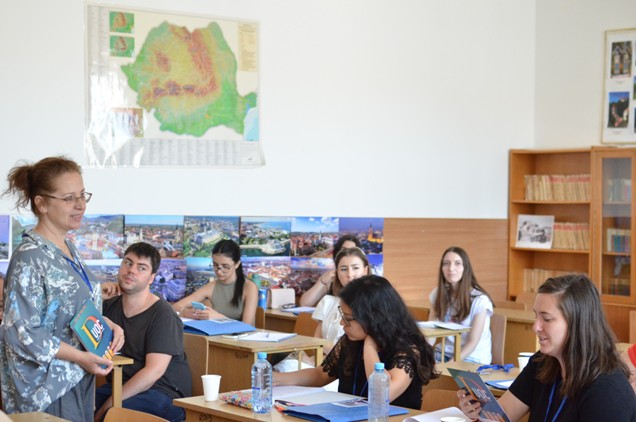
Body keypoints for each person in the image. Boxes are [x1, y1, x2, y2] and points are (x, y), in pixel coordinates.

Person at [0, 156, 124, 419]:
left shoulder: (67, 248)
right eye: (68, 198)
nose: (80, 205)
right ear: (42, 203)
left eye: (82, 195)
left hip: (78, 377)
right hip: (48, 389)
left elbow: (65, 312)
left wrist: (103, 324)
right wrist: (79, 357)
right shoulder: (30, 257)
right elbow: (21, 332)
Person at [458, 274, 636, 421]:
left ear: (577, 323)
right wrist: (479, 412)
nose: (536, 327)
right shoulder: (542, 362)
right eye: (536, 316)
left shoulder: (608, 391)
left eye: (547, 319)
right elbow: (502, 415)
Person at [274, 275, 438, 409]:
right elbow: (321, 375)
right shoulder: (351, 340)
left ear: (373, 318)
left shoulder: (408, 349)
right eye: (342, 316)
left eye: (348, 318)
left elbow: (383, 395)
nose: (342, 323)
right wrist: (277, 379)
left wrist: (370, 347)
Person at [95, 242, 192, 422]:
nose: (132, 270)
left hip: (163, 392)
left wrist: (108, 406)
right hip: (121, 386)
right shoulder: (108, 307)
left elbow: (153, 372)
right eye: (128, 263)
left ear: (151, 278)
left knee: (114, 416)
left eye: (142, 268)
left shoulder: (163, 314)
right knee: (78, 406)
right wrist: (98, 296)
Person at [428, 246, 494, 364]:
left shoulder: (480, 300)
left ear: (465, 268)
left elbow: (472, 342)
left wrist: (449, 365)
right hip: (444, 353)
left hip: (472, 358)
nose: (451, 268)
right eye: (446, 263)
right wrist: (421, 353)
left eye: (457, 263)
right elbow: (431, 334)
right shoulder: (437, 294)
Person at [171, 239, 258, 325]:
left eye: (225, 266)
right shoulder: (212, 286)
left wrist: (218, 317)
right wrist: (184, 312)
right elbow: (175, 307)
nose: (219, 271)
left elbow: (247, 326)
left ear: (237, 264)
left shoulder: (249, 288)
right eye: (215, 265)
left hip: (242, 334)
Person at [312, 247, 370, 354]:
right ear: (337, 273)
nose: (350, 274)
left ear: (365, 270)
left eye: (355, 268)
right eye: (343, 269)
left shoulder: (373, 304)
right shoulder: (328, 302)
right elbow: (317, 342)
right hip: (322, 361)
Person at [300, 234, 361, 307]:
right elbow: (304, 303)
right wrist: (322, 282)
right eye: (344, 250)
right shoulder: (331, 276)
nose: (347, 254)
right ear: (337, 253)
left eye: (352, 250)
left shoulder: (363, 277)